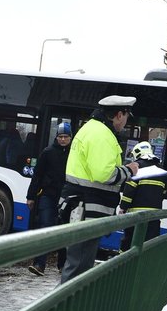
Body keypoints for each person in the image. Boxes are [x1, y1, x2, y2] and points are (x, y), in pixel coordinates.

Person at [58, 96, 140, 283]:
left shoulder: (92, 128)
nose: (126, 122)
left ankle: (67, 307)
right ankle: (61, 309)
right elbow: (104, 174)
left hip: (81, 206)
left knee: (77, 266)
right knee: (78, 268)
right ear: (119, 115)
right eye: (127, 116)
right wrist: (130, 170)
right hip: (86, 208)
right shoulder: (102, 134)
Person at [26, 122, 72, 275]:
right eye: (61, 137)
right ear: (56, 137)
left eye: (66, 137)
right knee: (45, 227)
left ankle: (63, 265)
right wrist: (31, 196)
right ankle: (39, 264)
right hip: (48, 196)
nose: (63, 139)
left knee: (65, 230)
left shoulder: (75, 154)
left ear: (71, 138)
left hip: (67, 198)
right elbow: (37, 175)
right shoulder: (47, 152)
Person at [118, 141, 167, 251]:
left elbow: (128, 192)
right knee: (149, 247)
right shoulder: (162, 171)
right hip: (154, 217)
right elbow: (163, 192)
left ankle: (126, 267)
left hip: (136, 218)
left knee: (129, 245)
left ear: (137, 153)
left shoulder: (136, 169)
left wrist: (122, 208)